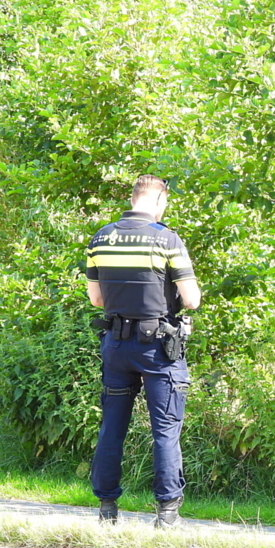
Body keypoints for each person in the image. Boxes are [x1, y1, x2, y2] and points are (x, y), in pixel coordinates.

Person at [85, 175, 201, 527]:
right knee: (165, 429)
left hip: (116, 345)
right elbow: (192, 300)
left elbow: (96, 299)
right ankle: (167, 515)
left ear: (134, 198)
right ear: (160, 200)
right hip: (158, 349)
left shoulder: (101, 238)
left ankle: (107, 511)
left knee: (112, 427)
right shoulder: (167, 239)